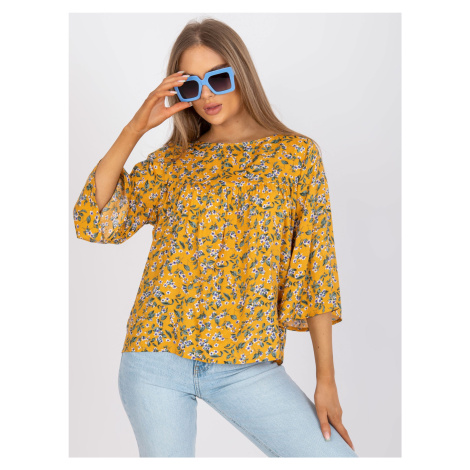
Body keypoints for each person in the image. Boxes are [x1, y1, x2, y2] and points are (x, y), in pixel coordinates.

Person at [73, 17, 358, 458]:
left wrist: (327, 382)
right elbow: (93, 219)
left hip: (246, 364)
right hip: (156, 357)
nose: (206, 95)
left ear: (241, 74)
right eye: (191, 85)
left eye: (219, 78)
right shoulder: (174, 162)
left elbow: (316, 270)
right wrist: (136, 127)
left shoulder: (295, 155)